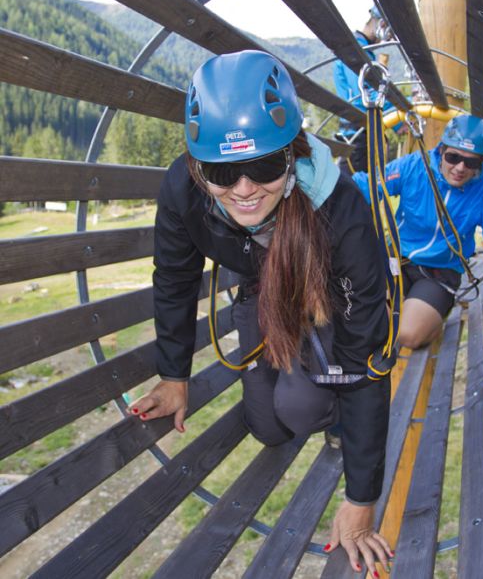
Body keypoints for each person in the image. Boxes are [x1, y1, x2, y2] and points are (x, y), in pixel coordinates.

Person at [128, 50, 395, 574]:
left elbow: (367, 351)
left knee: (301, 408)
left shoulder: (339, 210)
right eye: (224, 171)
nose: (245, 189)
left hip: (326, 300)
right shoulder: (184, 189)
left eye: (264, 165)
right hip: (260, 289)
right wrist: (173, 374)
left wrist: (361, 501)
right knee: (268, 425)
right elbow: (176, 278)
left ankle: (328, 402)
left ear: (292, 154)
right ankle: (301, 368)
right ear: (198, 165)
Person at [352, 114, 483, 349]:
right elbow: (369, 185)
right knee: (359, 314)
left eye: (472, 162)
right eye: (453, 157)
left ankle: (429, 321)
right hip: (395, 260)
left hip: (439, 271)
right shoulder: (414, 165)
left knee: (408, 334)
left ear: (481, 164)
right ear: (441, 150)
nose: (461, 168)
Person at [333, 6, 399, 174]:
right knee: (357, 191)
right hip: (358, 134)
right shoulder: (355, 51)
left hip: (359, 132)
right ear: (381, 25)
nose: (385, 40)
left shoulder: (362, 51)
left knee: (362, 190)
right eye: (388, 33)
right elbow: (364, 96)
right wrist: (399, 117)